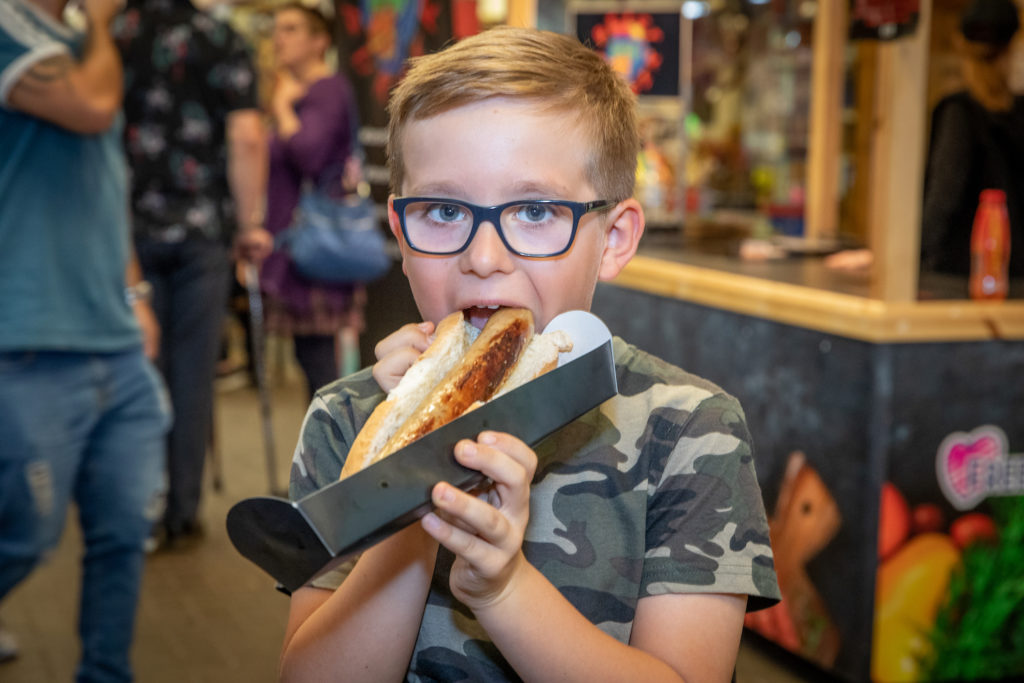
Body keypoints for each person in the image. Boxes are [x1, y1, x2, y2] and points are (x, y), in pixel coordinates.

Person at [278, 27, 780, 682]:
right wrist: (401, 487)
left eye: (537, 211)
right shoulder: (347, 419)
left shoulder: (690, 428)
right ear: (400, 232)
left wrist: (504, 588)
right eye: (443, 211)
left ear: (614, 238)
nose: (483, 258)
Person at [0, 0, 170, 678]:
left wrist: (134, 293)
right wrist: (100, 20)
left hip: (115, 339)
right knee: (26, 535)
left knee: (125, 532)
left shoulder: (73, 35)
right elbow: (92, 106)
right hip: (28, 339)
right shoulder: (13, 24)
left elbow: (104, 182)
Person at [113, 0, 272, 550]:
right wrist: (250, 222)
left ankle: (140, 501)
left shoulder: (114, 32)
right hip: (202, 228)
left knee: (136, 369)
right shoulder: (220, 36)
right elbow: (247, 136)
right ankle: (183, 508)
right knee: (191, 369)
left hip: (123, 229)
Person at [261, 2, 366, 400]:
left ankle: (329, 456)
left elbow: (309, 153)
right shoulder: (302, 89)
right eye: (277, 28)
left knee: (320, 364)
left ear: (320, 41)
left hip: (317, 247)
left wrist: (283, 109)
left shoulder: (327, 89)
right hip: (297, 243)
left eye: (290, 28)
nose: (278, 37)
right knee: (312, 358)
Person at [920, 0, 1024, 278]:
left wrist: (902, 257)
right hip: (1014, 274)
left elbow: (944, 196)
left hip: (963, 273)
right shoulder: (1016, 113)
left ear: (960, 43)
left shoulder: (960, 112)